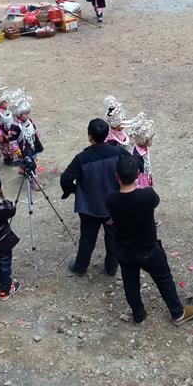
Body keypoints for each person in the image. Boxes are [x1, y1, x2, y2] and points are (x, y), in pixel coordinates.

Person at [107, 154, 193, 325]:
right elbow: (155, 201)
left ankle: (138, 315)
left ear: (116, 176)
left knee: (130, 283)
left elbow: (111, 218)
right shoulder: (148, 195)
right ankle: (177, 313)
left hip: (124, 250)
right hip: (148, 249)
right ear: (138, 174)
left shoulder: (111, 199)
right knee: (164, 279)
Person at [59, 118, 127, 277]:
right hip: (113, 207)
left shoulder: (81, 158)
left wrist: (76, 191)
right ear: (107, 135)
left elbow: (65, 179)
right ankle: (111, 268)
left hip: (89, 207)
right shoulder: (117, 152)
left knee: (87, 238)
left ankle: (80, 267)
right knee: (113, 238)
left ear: (90, 137)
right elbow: (133, 164)